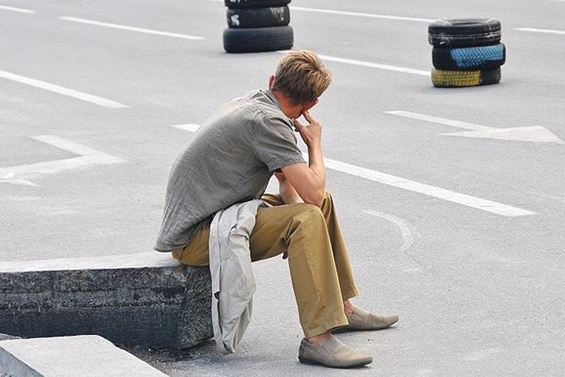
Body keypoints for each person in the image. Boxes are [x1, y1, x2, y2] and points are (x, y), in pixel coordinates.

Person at [155, 50, 398, 368]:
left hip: (218, 216)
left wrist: (301, 214)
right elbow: (312, 193)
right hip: (196, 237)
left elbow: (291, 187)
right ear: (312, 104)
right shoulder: (269, 123)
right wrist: (315, 145)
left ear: (273, 81)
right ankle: (318, 340)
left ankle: (342, 308)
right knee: (308, 215)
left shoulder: (259, 103)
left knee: (317, 208)